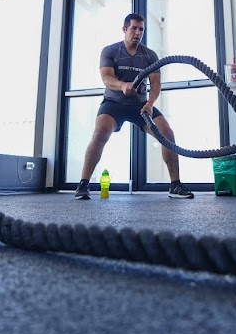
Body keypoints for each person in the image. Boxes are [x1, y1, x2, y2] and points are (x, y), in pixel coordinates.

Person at [75, 13, 194, 200]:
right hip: (114, 103)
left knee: (167, 133)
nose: (137, 33)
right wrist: (122, 86)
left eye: (141, 30)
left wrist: (149, 104)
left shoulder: (149, 55)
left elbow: (155, 85)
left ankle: (175, 185)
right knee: (100, 132)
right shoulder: (110, 51)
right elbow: (107, 78)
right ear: (124, 29)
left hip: (141, 106)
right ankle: (83, 184)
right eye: (134, 29)